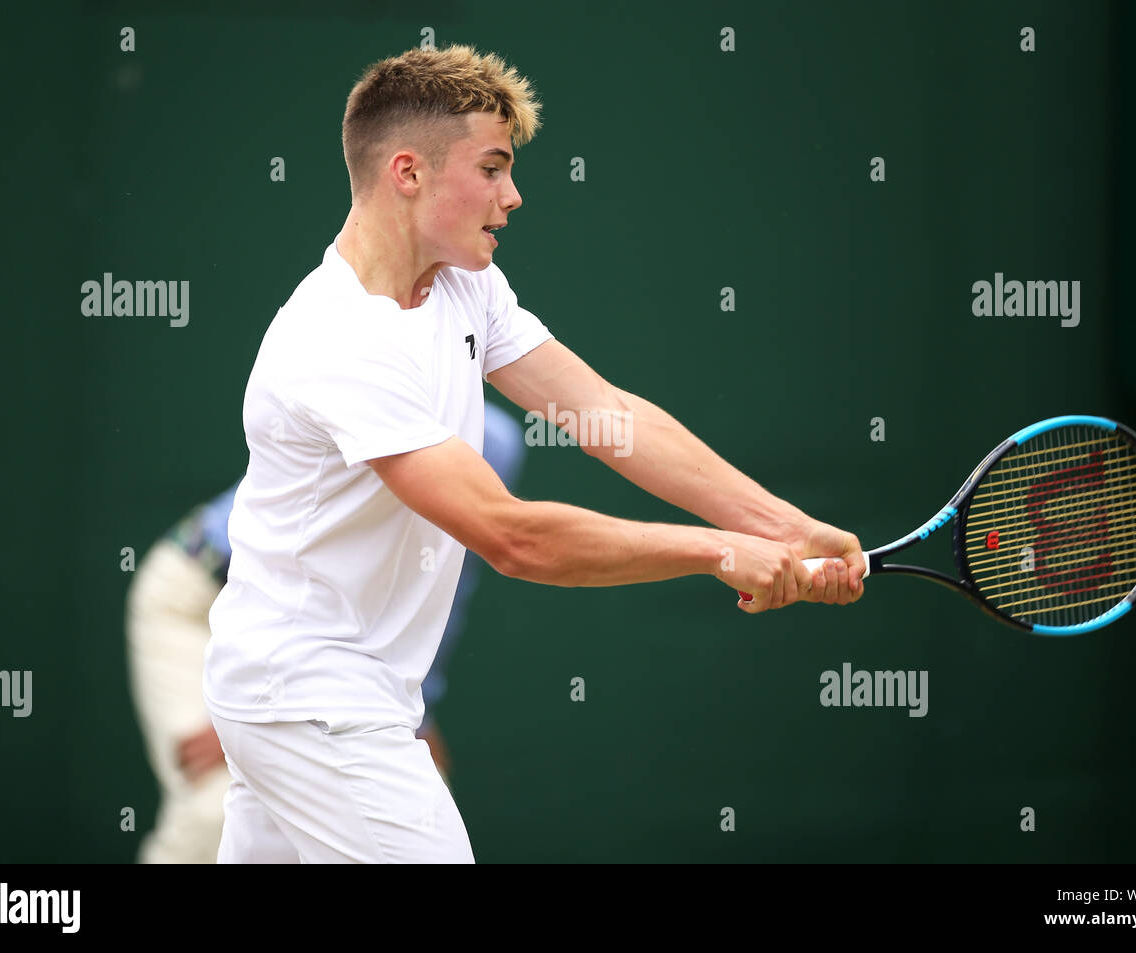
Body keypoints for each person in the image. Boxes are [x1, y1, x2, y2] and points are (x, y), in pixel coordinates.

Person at [203, 43, 866, 865]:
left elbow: (608, 416)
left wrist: (785, 525)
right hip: (309, 697)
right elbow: (513, 537)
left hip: (309, 691)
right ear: (408, 172)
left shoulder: (465, 284)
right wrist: (720, 550)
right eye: (492, 168)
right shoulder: (337, 340)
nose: (513, 197)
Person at [126, 403, 526, 864]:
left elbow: (439, 593)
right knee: (214, 810)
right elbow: (286, 575)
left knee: (417, 813)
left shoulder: (493, 442)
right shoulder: (370, 403)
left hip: (305, 637)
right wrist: (249, 716)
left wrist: (417, 713)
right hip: (198, 599)